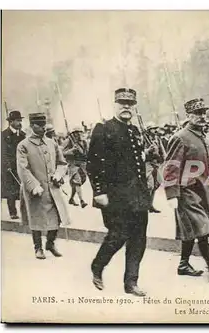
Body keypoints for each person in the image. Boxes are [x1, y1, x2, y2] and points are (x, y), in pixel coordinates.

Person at [87, 88, 152, 296]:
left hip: (138, 196)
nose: (126, 106)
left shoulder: (134, 131)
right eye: (122, 103)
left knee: (139, 239)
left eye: (130, 104)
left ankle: (131, 283)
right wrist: (99, 191)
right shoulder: (103, 129)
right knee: (118, 235)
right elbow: (93, 164)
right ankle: (97, 266)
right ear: (115, 104)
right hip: (115, 195)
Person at [162, 98, 209, 283]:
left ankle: (183, 264)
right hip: (188, 193)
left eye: (203, 112)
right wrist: (172, 194)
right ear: (188, 115)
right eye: (197, 113)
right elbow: (170, 168)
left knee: (193, 228)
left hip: (207, 192)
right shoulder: (180, 137)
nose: (201, 116)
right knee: (202, 229)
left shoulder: (208, 138)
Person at [17, 112, 71, 259]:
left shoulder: (52, 143)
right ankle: (38, 248)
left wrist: (58, 175)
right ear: (31, 126)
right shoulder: (23, 145)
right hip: (35, 189)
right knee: (36, 219)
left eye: (43, 125)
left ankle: (50, 243)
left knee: (57, 216)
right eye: (38, 125)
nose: (43, 128)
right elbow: (23, 168)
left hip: (52, 188)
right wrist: (33, 185)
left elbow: (62, 163)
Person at [1, 110, 26, 220]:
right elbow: (2, 152)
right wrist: (6, 165)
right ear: (11, 122)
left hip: (20, 165)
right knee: (11, 189)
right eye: (17, 120)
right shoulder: (3, 135)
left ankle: (24, 211)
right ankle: (13, 212)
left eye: (20, 120)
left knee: (23, 189)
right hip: (9, 167)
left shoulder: (23, 135)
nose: (19, 123)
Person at [63, 126, 89, 208]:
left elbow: (87, 152)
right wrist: (72, 150)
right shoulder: (68, 141)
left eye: (80, 132)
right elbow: (62, 153)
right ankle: (82, 201)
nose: (78, 134)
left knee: (80, 181)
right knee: (77, 181)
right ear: (73, 133)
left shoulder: (84, 142)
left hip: (82, 164)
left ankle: (71, 198)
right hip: (73, 164)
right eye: (76, 132)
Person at [144, 121, 166, 214]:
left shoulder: (157, 138)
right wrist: (148, 150)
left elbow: (162, 149)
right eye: (153, 129)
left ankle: (150, 204)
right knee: (150, 185)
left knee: (157, 183)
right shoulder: (143, 138)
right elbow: (140, 151)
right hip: (148, 163)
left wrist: (165, 158)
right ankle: (145, 205)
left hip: (156, 162)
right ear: (149, 130)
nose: (155, 130)